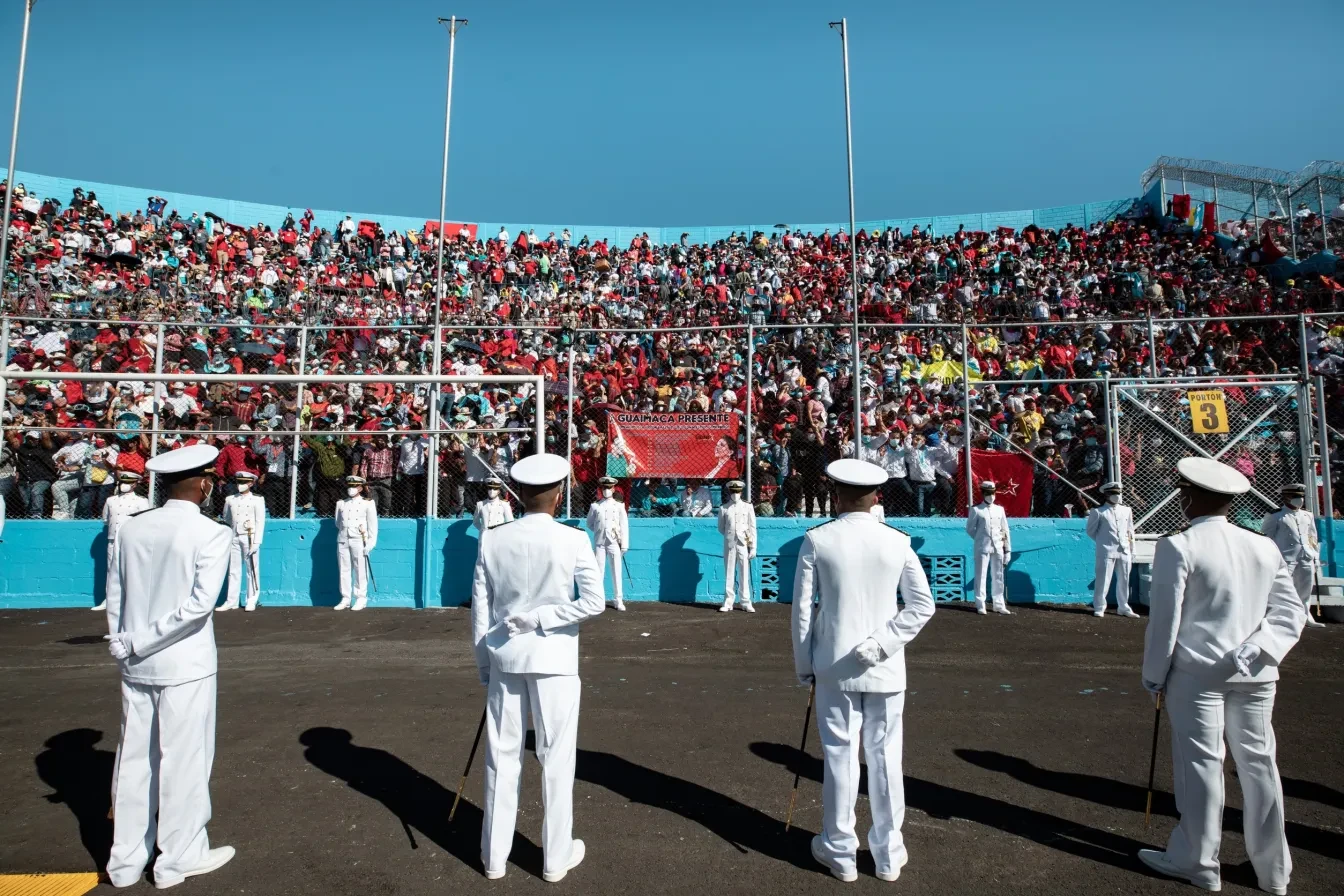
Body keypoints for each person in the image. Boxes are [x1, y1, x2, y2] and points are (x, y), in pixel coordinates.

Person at [1140, 457, 1306, 895]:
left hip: (1197, 675)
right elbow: (1291, 611)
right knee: (1259, 765)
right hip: (1256, 674)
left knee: (1202, 766)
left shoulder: (1178, 546)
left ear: (1188, 496)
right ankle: (1274, 872)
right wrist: (1261, 647)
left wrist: (1153, 675)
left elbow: (1165, 622)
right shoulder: (1262, 546)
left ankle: (1198, 862)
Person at [792, 458, 936, 882]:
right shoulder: (897, 541)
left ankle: (840, 852)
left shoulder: (817, 540)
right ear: (877, 497)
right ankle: (889, 854)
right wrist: (882, 643)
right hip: (887, 666)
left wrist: (805, 666)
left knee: (840, 756)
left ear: (836, 495)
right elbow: (921, 605)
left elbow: (802, 613)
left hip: (833, 663)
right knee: (886, 757)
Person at [103, 443, 235, 888]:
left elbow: (115, 593)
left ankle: (123, 864)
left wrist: (124, 643)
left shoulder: (133, 528)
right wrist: (137, 640)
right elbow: (198, 608)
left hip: (134, 662)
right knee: (184, 761)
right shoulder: (212, 532)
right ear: (204, 484)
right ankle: (177, 860)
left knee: (134, 763)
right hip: (184, 664)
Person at [470, 453, 605, 882]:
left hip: (505, 657)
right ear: (559, 494)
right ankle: (554, 859)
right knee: (556, 759)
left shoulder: (492, 538)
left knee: (501, 758)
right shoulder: (574, 539)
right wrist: (546, 617)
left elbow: (480, 612)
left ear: (519, 494)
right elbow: (593, 602)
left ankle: (494, 857)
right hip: (554, 661)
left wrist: (484, 666)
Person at [1261, 483, 1326, 628]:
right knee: (1281, 589)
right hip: (1286, 558)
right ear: (1285, 497)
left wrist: (1315, 556)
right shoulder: (1275, 516)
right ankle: (1280, 617)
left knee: (1305, 588)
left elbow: (1312, 537)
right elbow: (1267, 538)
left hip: (1305, 556)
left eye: (1301, 497)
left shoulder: (1307, 515)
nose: (1300, 500)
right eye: (1295, 497)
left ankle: (1305, 615)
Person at [92, 471, 152, 612]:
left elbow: (144, 521)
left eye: (129, 482)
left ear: (135, 484)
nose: (125, 485)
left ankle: (133, 601)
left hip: (131, 540)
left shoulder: (141, 501)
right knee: (111, 570)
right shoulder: (111, 500)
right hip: (113, 539)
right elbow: (106, 519)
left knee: (132, 569)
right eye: (123, 482)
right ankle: (110, 600)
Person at [1085, 481, 1139, 618]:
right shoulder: (1098, 511)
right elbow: (1091, 531)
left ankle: (1124, 606)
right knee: (1103, 579)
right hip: (1106, 550)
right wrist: (1104, 541)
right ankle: (1099, 606)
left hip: (1124, 549)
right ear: (1107, 495)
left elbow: (1130, 530)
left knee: (1124, 580)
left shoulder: (1127, 510)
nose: (1116, 496)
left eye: (1118, 493)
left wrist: (1131, 548)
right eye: (1113, 493)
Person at [219, 471, 265, 612]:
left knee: (251, 568)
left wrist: (257, 541)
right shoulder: (230, 499)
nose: (241, 485)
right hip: (235, 536)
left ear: (251, 483)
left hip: (249, 536)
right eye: (239, 482)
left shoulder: (257, 500)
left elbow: (260, 521)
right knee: (233, 570)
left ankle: (251, 599)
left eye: (244, 482)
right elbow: (226, 517)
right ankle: (231, 601)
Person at [966, 480, 1012, 615]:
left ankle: (999, 604)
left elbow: (1005, 530)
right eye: (988, 494)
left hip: (998, 546)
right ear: (983, 494)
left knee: (998, 576)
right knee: (980, 575)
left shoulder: (1000, 509)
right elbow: (970, 529)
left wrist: (1008, 549)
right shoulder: (976, 510)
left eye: (992, 493)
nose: (991, 496)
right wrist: (980, 539)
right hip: (982, 547)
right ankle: (981, 604)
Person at [333, 475, 378, 611]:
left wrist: (370, 544)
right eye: (349, 486)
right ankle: (345, 598)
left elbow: (373, 526)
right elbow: (337, 523)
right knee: (344, 569)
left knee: (360, 570)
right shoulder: (341, 503)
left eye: (354, 486)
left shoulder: (368, 503)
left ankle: (360, 598)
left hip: (359, 540)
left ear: (360, 487)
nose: (351, 489)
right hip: (343, 539)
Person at [586, 476, 630, 611]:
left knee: (616, 571)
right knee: (598, 572)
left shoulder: (619, 505)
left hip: (613, 542)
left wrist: (624, 544)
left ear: (613, 488)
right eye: (604, 487)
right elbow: (590, 523)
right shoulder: (595, 505)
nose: (607, 490)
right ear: (601, 489)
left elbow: (624, 525)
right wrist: (599, 531)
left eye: (609, 487)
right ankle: (598, 600)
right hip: (600, 542)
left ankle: (618, 599)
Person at [717, 480, 757, 612]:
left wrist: (753, 547)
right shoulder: (723, 508)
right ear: (729, 492)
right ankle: (728, 602)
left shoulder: (748, 506)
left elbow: (752, 528)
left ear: (741, 492)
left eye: (737, 491)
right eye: (733, 491)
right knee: (729, 572)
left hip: (743, 543)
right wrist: (731, 535)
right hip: (730, 543)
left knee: (744, 571)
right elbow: (721, 528)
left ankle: (745, 602)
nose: (735, 494)